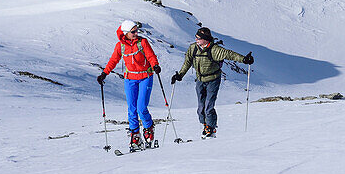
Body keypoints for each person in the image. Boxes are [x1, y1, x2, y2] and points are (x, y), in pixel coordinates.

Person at [171, 26, 253, 138]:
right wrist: (180, 75)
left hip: (213, 80)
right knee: (200, 108)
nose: (196, 39)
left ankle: (211, 128)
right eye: (196, 37)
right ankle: (205, 125)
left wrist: (244, 59)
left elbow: (229, 54)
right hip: (200, 80)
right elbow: (187, 62)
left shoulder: (214, 50)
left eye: (198, 38)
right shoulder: (193, 48)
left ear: (205, 39)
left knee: (208, 106)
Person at [98, 20, 162, 151]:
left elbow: (150, 55)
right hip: (130, 79)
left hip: (145, 77)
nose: (136, 33)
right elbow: (113, 60)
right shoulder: (120, 46)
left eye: (136, 31)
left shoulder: (142, 42)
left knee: (141, 107)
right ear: (126, 33)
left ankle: (149, 128)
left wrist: (155, 65)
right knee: (132, 108)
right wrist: (104, 73)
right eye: (133, 32)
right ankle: (135, 136)